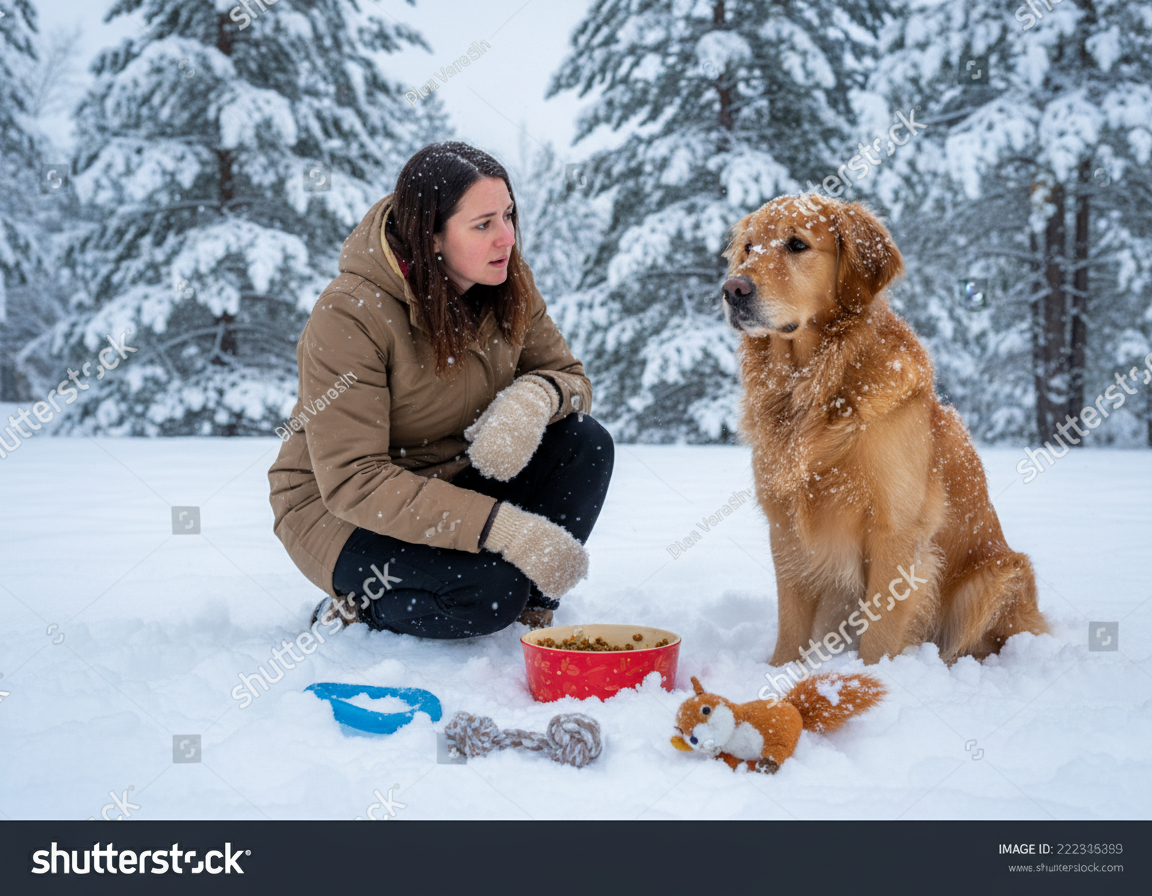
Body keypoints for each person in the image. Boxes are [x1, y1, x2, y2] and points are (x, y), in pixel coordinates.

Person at [268, 142, 614, 639]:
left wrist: (534, 398)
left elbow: (572, 380)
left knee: (584, 441)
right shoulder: (350, 313)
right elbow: (353, 481)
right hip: (340, 511)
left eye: (508, 216)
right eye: (483, 224)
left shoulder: (508, 281)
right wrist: (504, 529)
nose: (507, 239)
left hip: (453, 479)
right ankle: (355, 609)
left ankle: (531, 613)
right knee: (485, 593)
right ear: (430, 235)